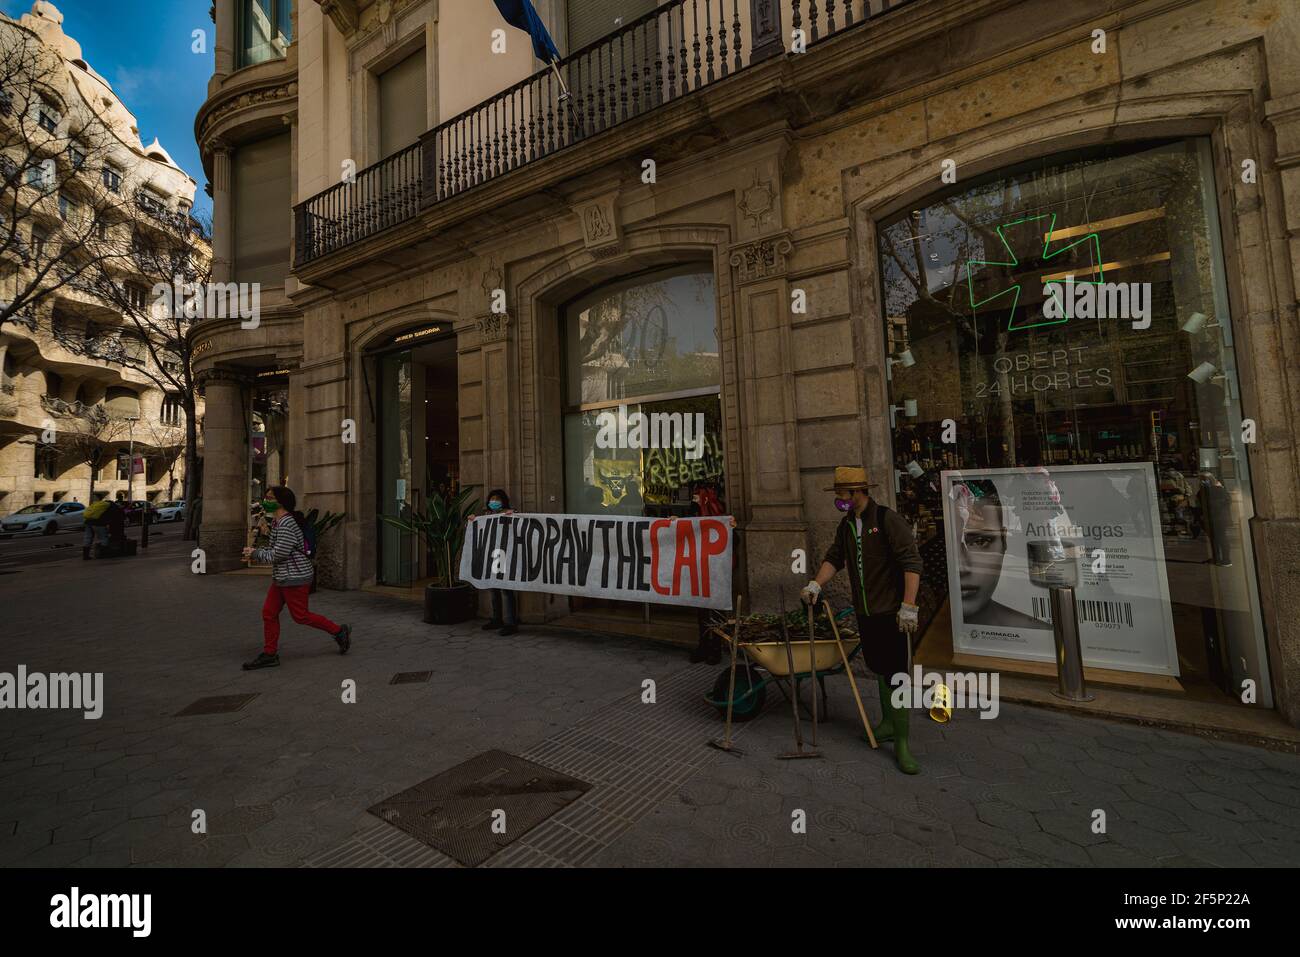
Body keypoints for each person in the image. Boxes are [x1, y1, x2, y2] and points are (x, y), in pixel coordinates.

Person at [801, 466, 924, 774]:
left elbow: (912, 562)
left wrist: (908, 606)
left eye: (842, 495)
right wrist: (816, 583)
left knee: (897, 675)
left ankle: (903, 743)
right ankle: (886, 724)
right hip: (866, 613)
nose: (839, 501)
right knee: (880, 669)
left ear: (858, 493)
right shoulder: (847, 526)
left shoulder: (886, 520)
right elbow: (835, 557)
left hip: (891, 613)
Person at [241, 486, 351, 670]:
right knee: (269, 613)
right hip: (283, 577)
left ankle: (339, 631)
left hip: (295, 577)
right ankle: (270, 654)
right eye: (266, 497)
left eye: (270, 498)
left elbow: (279, 555)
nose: (266, 501)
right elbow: (276, 551)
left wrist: (255, 553)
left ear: (281, 502)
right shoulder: (278, 522)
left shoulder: (286, 524)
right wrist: (256, 551)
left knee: (301, 616)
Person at [475, 488, 519, 636]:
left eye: (497, 499)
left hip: (505, 556)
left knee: (506, 589)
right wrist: (473, 520)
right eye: (492, 499)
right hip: (491, 556)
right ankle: (496, 619)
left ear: (503, 501)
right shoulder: (486, 515)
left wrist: (511, 516)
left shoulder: (511, 513)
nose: (494, 502)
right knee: (493, 589)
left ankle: (511, 623)